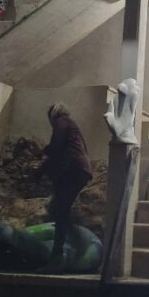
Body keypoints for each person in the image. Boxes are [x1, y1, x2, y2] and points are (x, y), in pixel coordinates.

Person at [37, 102, 92, 271]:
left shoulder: (62, 122)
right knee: (60, 209)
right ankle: (65, 248)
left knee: (60, 211)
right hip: (79, 170)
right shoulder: (71, 125)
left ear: (53, 115)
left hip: (73, 171)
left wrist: (40, 170)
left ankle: (57, 257)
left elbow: (56, 148)